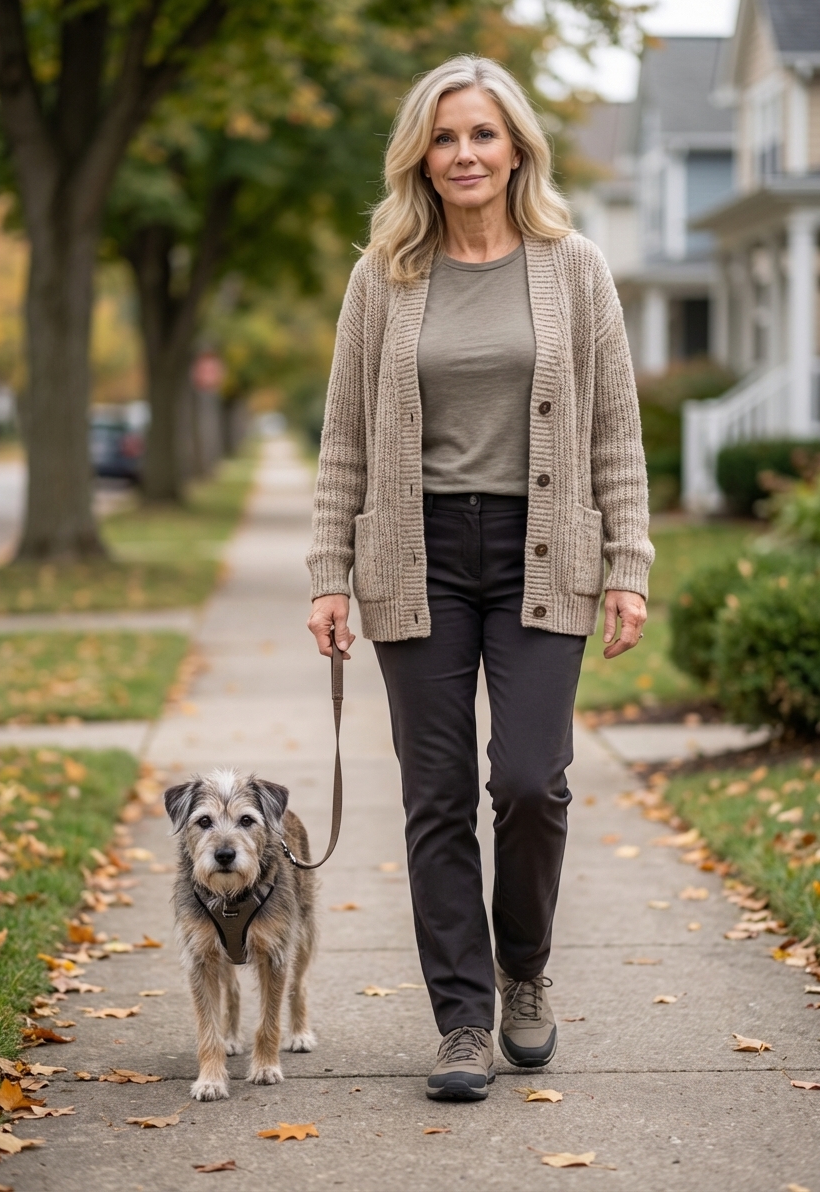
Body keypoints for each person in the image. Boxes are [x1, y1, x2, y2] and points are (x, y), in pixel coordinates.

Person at [306, 55, 654, 1102]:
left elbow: (614, 432)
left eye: (483, 135)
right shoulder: (386, 274)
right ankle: (462, 1021)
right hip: (416, 559)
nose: (464, 153)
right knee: (438, 794)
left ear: (517, 151)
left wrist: (628, 566)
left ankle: (525, 970)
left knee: (531, 782)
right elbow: (344, 439)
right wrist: (330, 572)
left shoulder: (573, 265)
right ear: (422, 153)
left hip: (540, 550)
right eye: (446, 136)